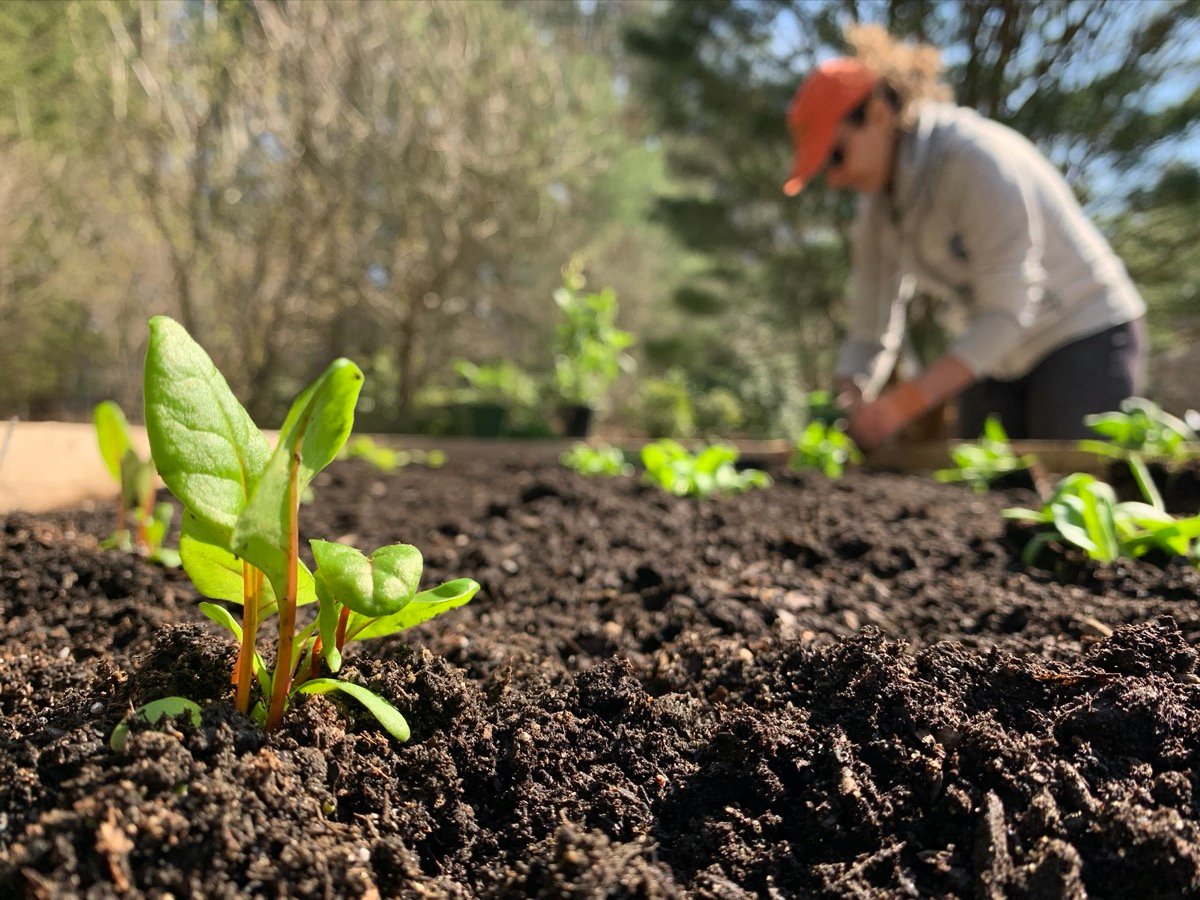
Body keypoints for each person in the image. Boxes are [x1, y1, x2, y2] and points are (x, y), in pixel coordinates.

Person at [783, 25, 1147, 451]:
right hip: (993, 351)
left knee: (1073, 480)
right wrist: (850, 395)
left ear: (879, 115)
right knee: (981, 494)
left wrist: (903, 404)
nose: (835, 179)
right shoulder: (876, 214)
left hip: (1081, 333)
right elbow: (869, 327)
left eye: (836, 156)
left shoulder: (973, 162)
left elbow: (1008, 309)